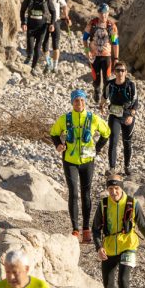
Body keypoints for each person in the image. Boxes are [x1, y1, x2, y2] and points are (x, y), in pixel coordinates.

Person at [92, 175, 145, 288]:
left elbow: (143, 225)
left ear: (121, 188)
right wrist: (99, 247)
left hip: (128, 244)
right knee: (108, 283)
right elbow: (95, 229)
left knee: (123, 279)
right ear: (107, 190)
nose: (114, 192)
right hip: (109, 247)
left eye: (116, 188)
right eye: (110, 189)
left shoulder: (132, 203)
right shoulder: (104, 204)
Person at [50, 89, 111, 243]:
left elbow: (107, 133)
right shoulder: (65, 118)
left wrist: (96, 149)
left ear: (85, 102)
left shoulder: (93, 118)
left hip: (87, 162)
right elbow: (54, 133)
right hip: (70, 160)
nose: (79, 103)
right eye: (76, 100)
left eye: (82, 100)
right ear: (72, 102)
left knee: (86, 194)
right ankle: (75, 229)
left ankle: (86, 229)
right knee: (73, 193)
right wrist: (58, 145)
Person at [103, 62, 138, 174]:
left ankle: (127, 167)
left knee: (127, 142)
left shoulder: (131, 85)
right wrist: (101, 106)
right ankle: (112, 168)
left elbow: (135, 102)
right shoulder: (110, 84)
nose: (120, 73)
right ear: (114, 72)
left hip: (128, 116)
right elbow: (104, 97)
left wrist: (132, 116)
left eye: (122, 70)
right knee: (113, 141)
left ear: (126, 72)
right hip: (114, 116)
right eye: (118, 70)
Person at [19, 0, 56, 73]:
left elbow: (53, 11)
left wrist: (52, 24)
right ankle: (29, 56)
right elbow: (22, 11)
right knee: (30, 48)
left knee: (37, 48)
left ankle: (33, 67)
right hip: (31, 27)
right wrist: (23, 23)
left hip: (42, 28)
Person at [83, 4, 119, 100]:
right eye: (102, 13)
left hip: (106, 56)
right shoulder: (92, 24)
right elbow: (84, 39)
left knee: (107, 79)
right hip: (94, 56)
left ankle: (105, 97)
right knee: (96, 80)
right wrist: (87, 52)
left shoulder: (111, 26)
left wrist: (116, 58)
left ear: (108, 13)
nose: (104, 16)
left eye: (106, 13)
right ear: (98, 13)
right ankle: (97, 91)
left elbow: (115, 43)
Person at [44, 0, 69, 74]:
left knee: (56, 44)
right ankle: (49, 63)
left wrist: (66, 16)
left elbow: (64, 5)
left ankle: (55, 66)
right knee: (45, 45)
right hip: (45, 22)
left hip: (56, 21)